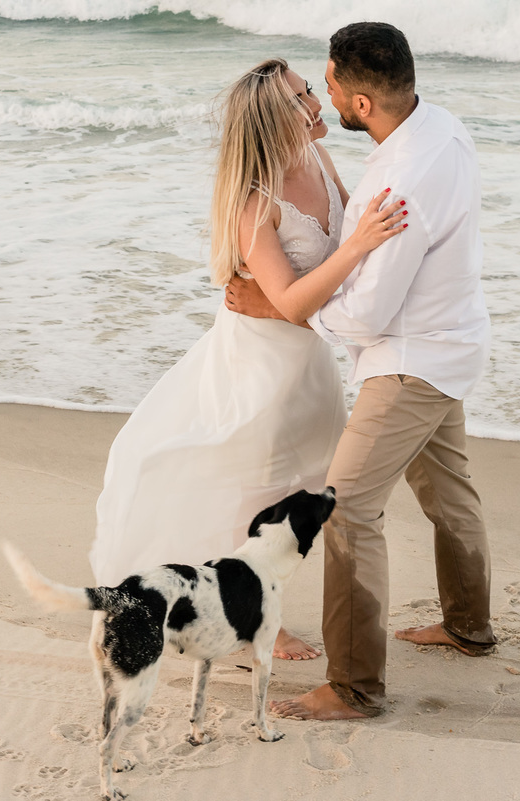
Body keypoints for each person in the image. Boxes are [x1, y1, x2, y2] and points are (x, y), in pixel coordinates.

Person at [89, 58, 410, 661]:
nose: (319, 101)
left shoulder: (318, 158)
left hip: (307, 365)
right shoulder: (253, 202)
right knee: (250, 494)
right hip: (256, 366)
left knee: (301, 492)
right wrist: (362, 243)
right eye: (302, 97)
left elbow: (338, 250)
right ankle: (257, 619)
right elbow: (292, 299)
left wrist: (368, 244)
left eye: (311, 89)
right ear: (274, 120)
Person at [228, 22, 496, 719]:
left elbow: (371, 313)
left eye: (330, 88)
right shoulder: (441, 128)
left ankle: (352, 686)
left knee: (345, 510)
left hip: (410, 362)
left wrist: (288, 307)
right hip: (454, 342)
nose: (325, 100)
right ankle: (469, 624)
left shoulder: (397, 177)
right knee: (448, 489)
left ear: (363, 105)